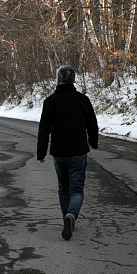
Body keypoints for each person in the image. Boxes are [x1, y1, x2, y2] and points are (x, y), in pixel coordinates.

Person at [37, 65, 98, 240]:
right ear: (74, 80)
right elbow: (92, 124)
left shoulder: (50, 101)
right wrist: (92, 142)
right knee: (77, 188)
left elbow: (44, 129)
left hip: (59, 152)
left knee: (63, 188)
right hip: (78, 151)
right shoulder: (83, 100)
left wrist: (41, 153)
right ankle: (71, 216)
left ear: (58, 80)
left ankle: (67, 218)